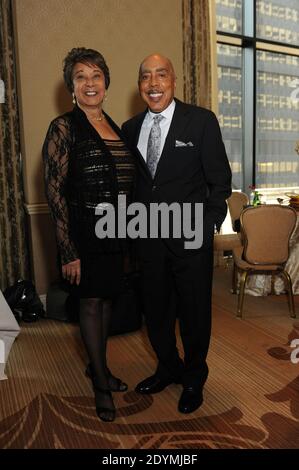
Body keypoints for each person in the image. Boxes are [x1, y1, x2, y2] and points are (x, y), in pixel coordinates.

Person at [122, 53, 232, 414]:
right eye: (146, 77)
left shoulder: (200, 122)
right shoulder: (130, 128)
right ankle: (167, 367)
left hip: (190, 239)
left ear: (173, 80)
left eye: (161, 75)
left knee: (195, 314)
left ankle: (194, 378)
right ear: (140, 85)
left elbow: (220, 182)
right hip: (147, 240)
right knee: (155, 314)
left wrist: (206, 225)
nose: (153, 84)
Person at [42, 47, 135, 422]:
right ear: (72, 87)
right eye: (81, 76)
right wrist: (68, 250)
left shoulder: (116, 126)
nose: (90, 83)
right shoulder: (64, 127)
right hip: (84, 235)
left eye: (96, 75)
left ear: (106, 84)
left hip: (118, 232)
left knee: (109, 300)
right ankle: (100, 383)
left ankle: (99, 366)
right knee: (92, 304)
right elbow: (54, 192)